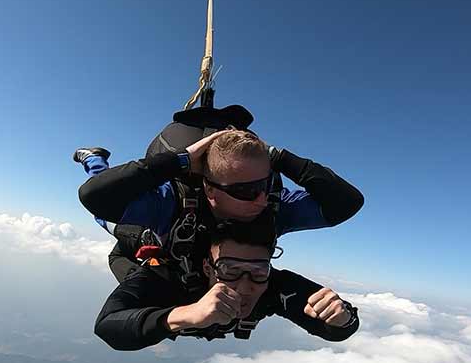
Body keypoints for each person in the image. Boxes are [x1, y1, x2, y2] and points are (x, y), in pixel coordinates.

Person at [75, 120, 364, 282]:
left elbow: (347, 203)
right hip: (157, 239)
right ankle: (95, 158)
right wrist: (182, 160)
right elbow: (96, 197)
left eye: (264, 184)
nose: (261, 198)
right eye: (246, 190)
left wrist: (278, 156)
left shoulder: (275, 207)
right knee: (109, 222)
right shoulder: (172, 201)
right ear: (210, 190)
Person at [94, 215, 359, 351]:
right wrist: (186, 314)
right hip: (137, 247)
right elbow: (108, 326)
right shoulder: (167, 277)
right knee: (111, 220)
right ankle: (95, 162)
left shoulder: (272, 283)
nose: (244, 286)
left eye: (257, 271)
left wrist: (341, 317)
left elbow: (334, 327)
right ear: (208, 267)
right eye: (230, 270)